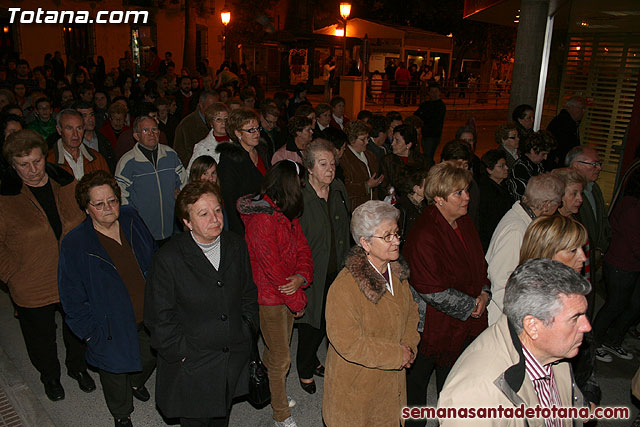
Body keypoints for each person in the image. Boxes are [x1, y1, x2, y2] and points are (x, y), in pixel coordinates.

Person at [144, 180, 259, 427]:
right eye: (203, 214)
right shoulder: (168, 259)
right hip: (193, 365)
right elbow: (159, 319)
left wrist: (246, 329)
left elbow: (248, 292)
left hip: (231, 356)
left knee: (222, 419)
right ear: (186, 222)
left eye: (217, 210)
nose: (215, 219)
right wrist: (183, 354)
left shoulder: (236, 245)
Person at [437, 259, 591, 426]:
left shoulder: (555, 354)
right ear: (532, 326)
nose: (587, 326)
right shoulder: (477, 397)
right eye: (575, 318)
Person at [0, 130, 94, 401]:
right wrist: (13, 275)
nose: (32, 170)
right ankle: (50, 376)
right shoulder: (5, 197)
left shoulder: (66, 181)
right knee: (41, 337)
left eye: (37, 161)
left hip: (71, 275)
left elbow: (86, 221)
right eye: (23, 164)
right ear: (12, 165)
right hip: (32, 282)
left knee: (77, 328)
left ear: (46, 157)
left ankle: (77, 368)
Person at [58, 171, 157, 427]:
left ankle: (135, 384)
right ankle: (121, 413)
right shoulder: (75, 243)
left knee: (151, 355)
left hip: (149, 312)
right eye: (99, 204)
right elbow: (71, 296)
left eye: (112, 200)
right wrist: (90, 333)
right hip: (109, 325)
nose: (108, 208)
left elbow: (154, 256)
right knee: (114, 374)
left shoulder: (131, 217)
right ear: (86, 208)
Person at [403, 162, 490, 426]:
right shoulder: (425, 233)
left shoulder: (463, 223)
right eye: (459, 193)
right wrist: (471, 305)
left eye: (466, 191)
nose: (467, 198)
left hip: (462, 322)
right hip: (429, 327)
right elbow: (432, 289)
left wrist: (485, 292)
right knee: (417, 386)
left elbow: (480, 265)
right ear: (439, 199)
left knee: (454, 384)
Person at [323, 200, 420, 426]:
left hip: (391, 384)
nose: (396, 241)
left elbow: (411, 314)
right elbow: (349, 343)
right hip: (358, 391)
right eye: (387, 236)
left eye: (396, 233)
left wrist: (409, 346)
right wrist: (397, 355)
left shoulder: (396, 272)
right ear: (365, 243)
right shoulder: (344, 288)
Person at [237, 161, 314, 427]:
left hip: (287, 291)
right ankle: (281, 413)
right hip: (269, 298)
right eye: (300, 181)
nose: (303, 186)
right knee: (282, 359)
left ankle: (273, 388)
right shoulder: (262, 220)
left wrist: (302, 277)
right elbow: (272, 269)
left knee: (275, 352)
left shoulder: (286, 213)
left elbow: (303, 249)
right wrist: (297, 299)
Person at [295, 139, 350, 394]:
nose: (330, 169)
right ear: (309, 167)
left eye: (332, 163)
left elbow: (344, 229)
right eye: (323, 164)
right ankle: (304, 368)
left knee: (328, 322)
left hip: (336, 269)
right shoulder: (300, 196)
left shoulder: (338, 189)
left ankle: (314, 360)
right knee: (310, 324)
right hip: (310, 273)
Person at [485, 173, 565, 325]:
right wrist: (520, 319)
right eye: (558, 204)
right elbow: (501, 281)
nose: (558, 208)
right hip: (504, 319)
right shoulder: (516, 230)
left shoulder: (525, 222)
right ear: (547, 204)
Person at [592, 166, 640, 361]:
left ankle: (612, 340)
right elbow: (635, 241)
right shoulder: (631, 207)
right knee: (615, 305)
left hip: (631, 265)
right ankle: (593, 343)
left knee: (634, 306)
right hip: (621, 264)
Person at [115, 115, 187, 244]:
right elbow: (120, 196)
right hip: (143, 229)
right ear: (136, 136)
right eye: (146, 130)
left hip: (172, 227)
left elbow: (184, 182)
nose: (151, 134)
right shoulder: (127, 162)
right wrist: (133, 219)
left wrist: (180, 194)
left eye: (154, 129)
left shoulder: (170, 155)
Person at [216, 108, 271, 234]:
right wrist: (241, 231)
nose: (257, 133)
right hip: (245, 222)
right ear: (238, 133)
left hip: (265, 217)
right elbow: (230, 200)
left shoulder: (262, 149)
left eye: (258, 129)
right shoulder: (229, 158)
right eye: (251, 130)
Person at [567, 146, 611, 287]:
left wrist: (600, 249)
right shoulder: (564, 193)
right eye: (594, 164)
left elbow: (603, 221)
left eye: (599, 164)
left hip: (592, 257)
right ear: (576, 165)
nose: (598, 168)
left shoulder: (594, 188)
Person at [47, 109, 110, 180]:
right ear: (59, 130)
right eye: (69, 128)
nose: (75, 134)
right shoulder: (49, 161)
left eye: (79, 128)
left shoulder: (96, 159)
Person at [341, 120, 383, 211]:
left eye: (367, 138)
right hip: (355, 209)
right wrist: (366, 186)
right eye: (363, 139)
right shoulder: (343, 158)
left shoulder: (370, 155)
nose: (367, 142)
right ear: (351, 140)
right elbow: (344, 189)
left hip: (371, 209)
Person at [478, 149, 513, 252]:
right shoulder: (485, 191)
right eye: (501, 166)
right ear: (489, 170)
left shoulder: (503, 185)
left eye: (505, 165)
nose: (506, 168)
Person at [173, 90, 220, 166]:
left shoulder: (222, 123)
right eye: (211, 107)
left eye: (217, 107)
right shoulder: (186, 125)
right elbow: (180, 155)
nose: (214, 111)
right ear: (201, 105)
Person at [380, 124, 427, 198]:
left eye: (397, 141)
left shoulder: (421, 160)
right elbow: (383, 186)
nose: (392, 144)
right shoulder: (387, 161)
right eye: (393, 139)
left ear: (409, 144)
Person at [507, 130, 555, 200]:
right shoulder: (520, 168)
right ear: (532, 150)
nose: (545, 158)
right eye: (543, 154)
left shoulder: (538, 165)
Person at [185, 102, 230, 176]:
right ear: (211, 123)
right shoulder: (202, 147)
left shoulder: (238, 142)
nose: (223, 123)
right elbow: (190, 174)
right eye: (218, 119)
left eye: (226, 119)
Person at [547, 96, 587, 170]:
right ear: (571, 107)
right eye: (581, 108)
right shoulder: (562, 123)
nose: (584, 111)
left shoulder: (571, 123)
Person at [394, 165, 428, 241]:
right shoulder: (401, 209)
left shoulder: (427, 205)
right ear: (416, 188)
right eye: (427, 185)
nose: (431, 187)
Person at [415, 81, 446, 163]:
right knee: (426, 154)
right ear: (428, 92)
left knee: (428, 156)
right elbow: (416, 115)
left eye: (436, 91)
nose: (434, 94)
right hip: (425, 134)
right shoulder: (425, 104)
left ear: (439, 92)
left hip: (434, 135)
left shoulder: (441, 106)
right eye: (432, 92)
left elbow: (434, 119)